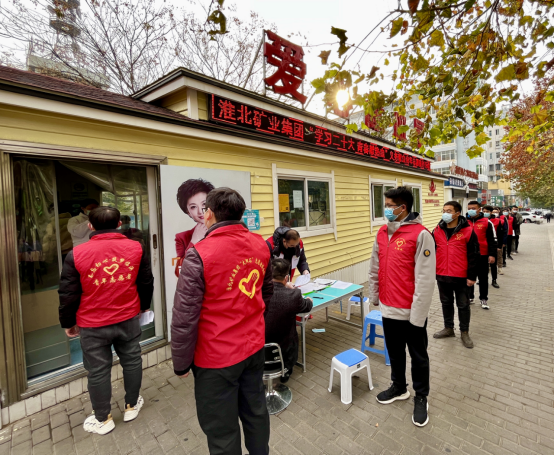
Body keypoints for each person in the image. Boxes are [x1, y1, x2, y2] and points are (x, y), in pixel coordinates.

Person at [171, 188, 274, 456]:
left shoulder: (199, 253)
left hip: (215, 358)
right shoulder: (261, 245)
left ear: (209, 214)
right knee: (256, 412)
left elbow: (184, 316)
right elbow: (266, 294)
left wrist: (180, 363)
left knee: (222, 430)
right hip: (253, 349)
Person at [58, 206, 154, 435]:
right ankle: (131, 406)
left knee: (98, 370)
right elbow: (146, 281)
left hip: (92, 323)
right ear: (119, 224)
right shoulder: (136, 247)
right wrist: (143, 307)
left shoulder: (76, 254)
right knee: (132, 360)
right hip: (128, 317)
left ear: (90, 226)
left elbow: (68, 293)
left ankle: (103, 418)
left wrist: (67, 322)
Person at [368, 187, 435, 428]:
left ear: (402, 207)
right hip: (388, 308)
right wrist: (375, 295)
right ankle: (399, 387)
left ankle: (421, 396)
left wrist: (418, 315)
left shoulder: (421, 235)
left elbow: (425, 279)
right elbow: (374, 266)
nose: (385, 209)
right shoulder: (382, 232)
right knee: (395, 352)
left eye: (389, 205)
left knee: (418, 356)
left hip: (410, 311)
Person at [432, 201, 479, 348]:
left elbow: (474, 255)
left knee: (463, 305)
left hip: (461, 276)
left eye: (449, 211)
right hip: (441, 274)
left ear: (457, 213)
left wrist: (472, 276)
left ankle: (464, 332)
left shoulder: (468, 231)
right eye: (444, 210)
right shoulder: (437, 230)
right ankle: (448, 328)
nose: (445, 214)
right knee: (446, 303)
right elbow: (431, 252)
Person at [264, 258, 313, 383]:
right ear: (286, 278)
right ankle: (286, 371)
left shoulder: (258, 293)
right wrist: (309, 300)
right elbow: (307, 306)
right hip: (284, 350)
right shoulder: (294, 295)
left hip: (260, 349)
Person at [174, 179, 215, 269]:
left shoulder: (225, 229)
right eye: (193, 207)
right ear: (188, 212)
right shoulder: (182, 238)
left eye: (204, 204)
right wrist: (194, 241)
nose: (200, 211)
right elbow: (179, 271)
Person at [466, 201, 497, 309]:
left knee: (483, 278)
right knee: (468, 276)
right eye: (469, 208)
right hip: (468, 255)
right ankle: (470, 297)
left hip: (483, 255)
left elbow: (492, 240)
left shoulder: (487, 222)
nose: (471, 210)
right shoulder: (464, 222)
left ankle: (483, 298)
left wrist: (492, 254)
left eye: (473, 208)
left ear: (479, 209)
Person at [483, 205, 503, 288]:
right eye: (484, 211)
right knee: (484, 265)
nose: (485, 213)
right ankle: (483, 279)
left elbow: (500, 234)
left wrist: (499, 246)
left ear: (491, 212)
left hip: (493, 245)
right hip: (483, 246)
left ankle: (494, 280)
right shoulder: (480, 221)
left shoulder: (497, 221)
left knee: (493, 264)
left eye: (487, 212)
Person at [492, 207, 507, 275]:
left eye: (496, 212)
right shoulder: (487, 220)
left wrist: (503, 242)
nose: (495, 213)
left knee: (499, 255)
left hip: (498, 240)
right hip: (490, 241)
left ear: (499, 212)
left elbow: (504, 232)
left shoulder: (501, 221)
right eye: (493, 212)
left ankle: (500, 268)